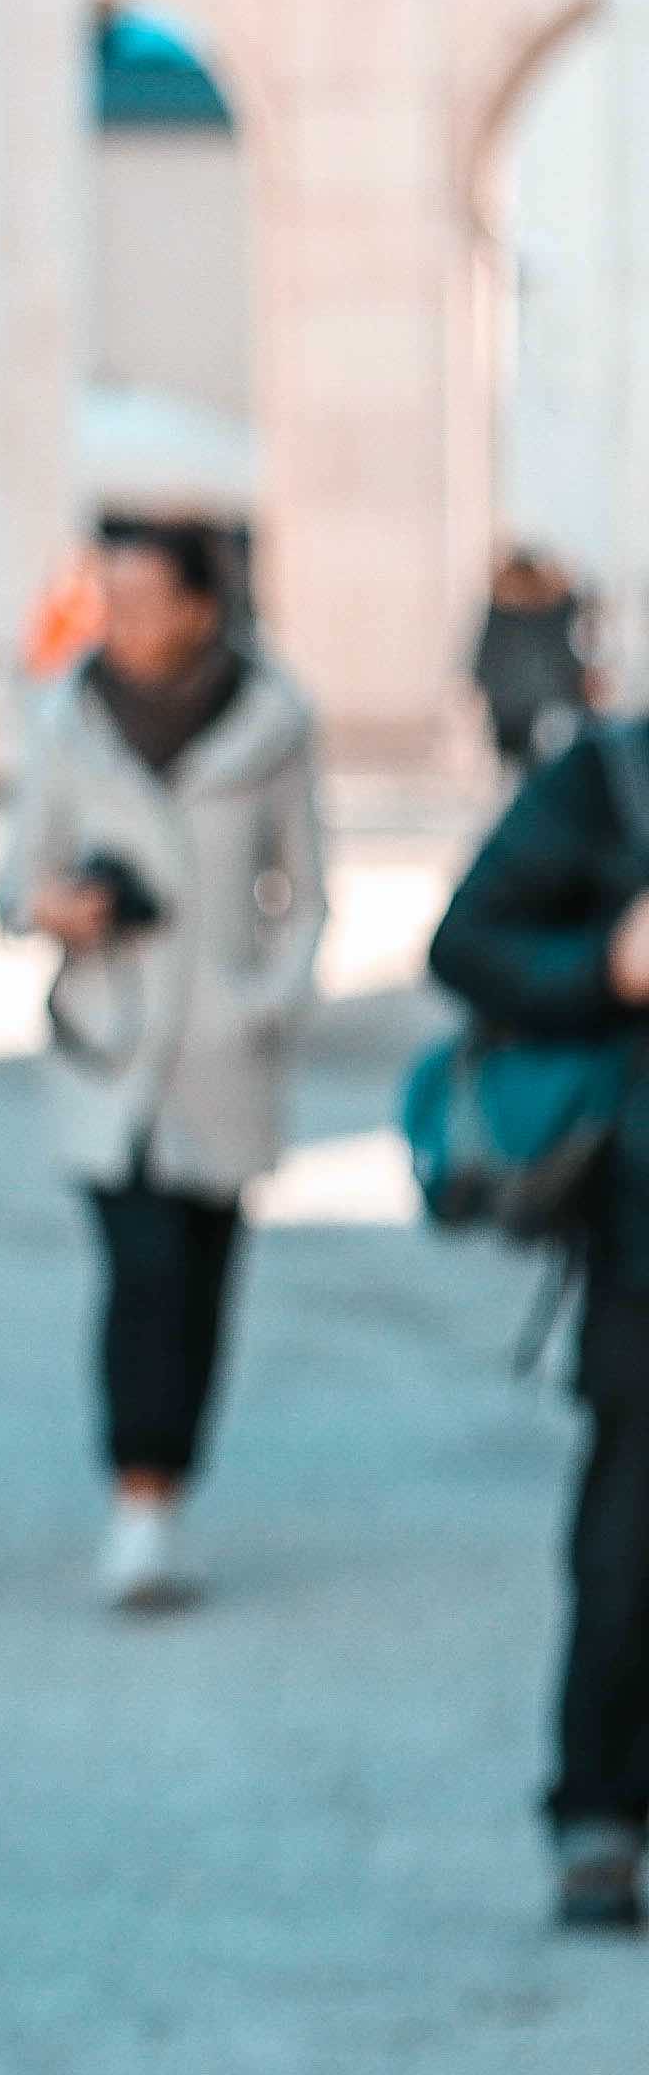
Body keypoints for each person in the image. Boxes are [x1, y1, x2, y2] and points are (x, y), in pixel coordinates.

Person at [0, 515, 322, 1615]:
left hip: (222, 1054)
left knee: (203, 1276)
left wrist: (264, 1000)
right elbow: (12, 878)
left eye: (144, 602)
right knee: (142, 1273)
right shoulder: (63, 719)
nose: (122, 626)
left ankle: (171, 1483)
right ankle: (137, 1495)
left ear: (199, 606)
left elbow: (307, 894)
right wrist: (60, 908)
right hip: (108, 1043)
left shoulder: (275, 722)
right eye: (110, 602)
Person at [421, 717, 649, 1924]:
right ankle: (601, 1812)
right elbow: (467, 945)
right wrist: (609, 967)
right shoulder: (616, 777)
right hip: (646, 1238)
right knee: (630, 1544)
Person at [476, 547, 597, 773]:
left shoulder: (561, 611)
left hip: (556, 711)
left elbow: (578, 658)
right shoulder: (499, 617)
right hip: (512, 720)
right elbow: (482, 667)